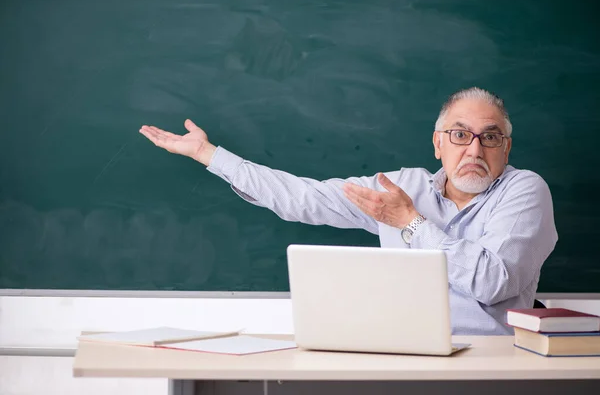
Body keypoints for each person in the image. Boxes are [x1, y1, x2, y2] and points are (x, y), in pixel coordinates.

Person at [139, 87, 558, 335]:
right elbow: (302, 197)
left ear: (506, 148)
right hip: (400, 356)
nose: (473, 149)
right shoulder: (403, 186)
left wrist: (410, 224)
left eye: (490, 137)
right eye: (460, 134)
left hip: (492, 365)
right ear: (438, 144)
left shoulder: (523, 190)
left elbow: (492, 283)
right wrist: (210, 155)